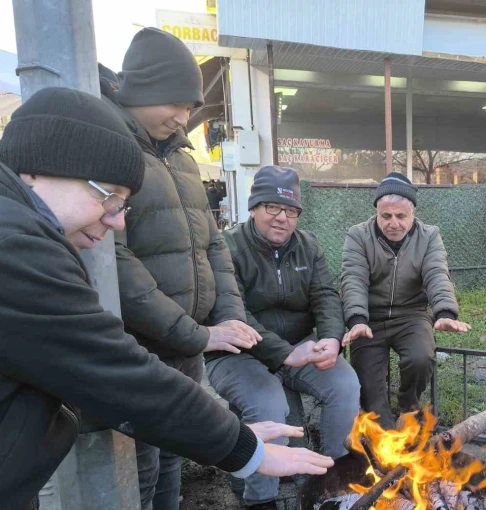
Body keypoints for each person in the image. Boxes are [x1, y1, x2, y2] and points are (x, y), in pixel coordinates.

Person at [0, 87, 333, 510]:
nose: (118, 222)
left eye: (123, 204)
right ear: (35, 170)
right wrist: (245, 448)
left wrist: (234, 432)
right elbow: (117, 373)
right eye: (109, 196)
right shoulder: (16, 248)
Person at [101, 27, 261, 509]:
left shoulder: (185, 160)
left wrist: (227, 316)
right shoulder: (110, 146)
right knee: (138, 471)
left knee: (174, 457)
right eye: (177, 103)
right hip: (140, 346)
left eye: (191, 107)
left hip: (187, 347)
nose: (185, 117)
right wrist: (195, 334)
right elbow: (113, 259)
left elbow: (213, 246)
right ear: (144, 88)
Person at [206, 166, 361, 509]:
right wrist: (282, 354)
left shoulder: (308, 246)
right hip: (236, 353)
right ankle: (261, 499)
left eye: (291, 211)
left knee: (346, 386)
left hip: (299, 348)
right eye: (272, 208)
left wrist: (332, 339)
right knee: (269, 405)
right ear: (253, 208)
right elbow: (231, 313)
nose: (282, 218)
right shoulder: (225, 247)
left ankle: (335, 483)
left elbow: (326, 296)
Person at [340, 172, 471, 429]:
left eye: (401, 216)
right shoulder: (358, 235)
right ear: (377, 212)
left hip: (411, 314)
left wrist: (445, 312)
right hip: (370, 319)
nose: (393, 223)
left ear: (413, 214)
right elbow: (353, 278)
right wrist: (356, 319)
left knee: (421, 356)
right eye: (386, 216)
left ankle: (409, 408)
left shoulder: (429, 236)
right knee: (369, 391)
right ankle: (387, 439)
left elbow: (436, 273)